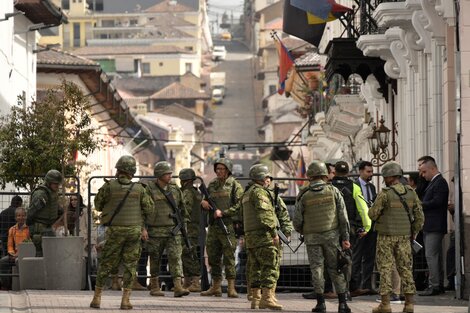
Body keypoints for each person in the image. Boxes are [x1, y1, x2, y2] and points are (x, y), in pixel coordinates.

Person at [90, 155, 154, 310]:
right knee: (130, 265)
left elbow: (98, 205)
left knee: (106, 263)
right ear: (132, 172)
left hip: (114, 231)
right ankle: (125, 301)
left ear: (118, 170)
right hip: (133, 231)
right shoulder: (140, 189)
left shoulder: (109, 186)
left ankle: (97, 299)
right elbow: (150, 209)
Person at [294, 161, 351, 313]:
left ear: (310, 176)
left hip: (312, 238)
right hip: (332, 237)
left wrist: (302, 231)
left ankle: (320, 304)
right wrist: (345, 238)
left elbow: (297, 220)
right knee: (336, 269)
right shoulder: (333, 191)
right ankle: (343, 304)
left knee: (317, 269)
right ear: (325, 175)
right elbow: (343, 217)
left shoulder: (304, 194)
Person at [368, 161, 424, 313]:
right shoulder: (411, 193)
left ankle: (385, 305)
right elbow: (420, 217)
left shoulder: (385, 194)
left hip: (386, 237)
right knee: (406, 269)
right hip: (405, 237)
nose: (384, 179)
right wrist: (413, 232)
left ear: (390, 177)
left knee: (385, 269)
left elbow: (372, 214)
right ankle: (409, 304)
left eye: (385, 176)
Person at [241, 164, 283, 310]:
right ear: (261, 178)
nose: (268, 180)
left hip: (251, 238)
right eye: (266, 177)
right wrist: (274, 233)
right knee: (270, 266)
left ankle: (256, 299)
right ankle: (267, 298)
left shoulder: (247, 193)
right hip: (263, 237)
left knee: (255, 268)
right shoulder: (259, 193)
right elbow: (265, 215)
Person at [146, 161, 189, 298]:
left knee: (176, 257)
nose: (170, 175)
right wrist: (143, 228)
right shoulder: (149, 189)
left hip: (173, 230)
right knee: (155, 258)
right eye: (167, 173)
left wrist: (184, 226)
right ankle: (154, 286)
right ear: (159, 174)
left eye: (170, 173)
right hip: (155, 230)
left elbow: (183, 210)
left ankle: (178, 286)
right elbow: (143, 210)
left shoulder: (175, 189)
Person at [200, 158, 243, 298]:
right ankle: (216, 287)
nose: (219, 171)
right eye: (217, 169)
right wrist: (204, 203)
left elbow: (239, 206)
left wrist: (224, 213)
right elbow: (205, 199)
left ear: (228, 170)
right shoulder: (212, 184)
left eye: (222, 169)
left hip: (228, 226)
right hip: (213, 226)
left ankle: (231, 288)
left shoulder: (235, 186)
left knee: (229, 257)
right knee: (213, 257)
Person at [331, 161, 371, 297]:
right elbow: (363, 208)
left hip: (331, 228)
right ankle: (350, 289)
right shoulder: (354, 187)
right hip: (350, 228)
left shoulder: (329, 186)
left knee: (332, 260)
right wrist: (366, 226)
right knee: (349, 258)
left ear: (334, 172)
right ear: (348, 172)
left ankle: (335, 290)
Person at [417, 156, 449, 296]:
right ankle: (438, 284)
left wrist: (420, 205)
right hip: (431, 225)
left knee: (431, 256)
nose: (422, 175)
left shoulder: (440, 182)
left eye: (424, 172)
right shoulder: (432, 183)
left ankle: (435, 285)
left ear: (432, 169)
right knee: (434, 256)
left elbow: (437, 201)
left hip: (434, 225)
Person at [353, 161, 378, 294]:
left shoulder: (372, 187)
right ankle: (355, 286)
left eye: (372, 171)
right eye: (368, 172)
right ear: (361, 171)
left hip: (372, 225)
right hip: (360, 226)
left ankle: (367, 285)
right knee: (357, 256)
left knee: (370, 256)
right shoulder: (354, 186)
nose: (371, 174)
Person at [26, 169, 63, 257]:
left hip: (48, 226)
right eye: (55, 183)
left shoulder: (52, 193)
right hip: (39, 228)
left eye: (58, 184)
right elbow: (32, 211)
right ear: (49, 182)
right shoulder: (41, 194)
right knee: (40, 254)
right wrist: (28, 223)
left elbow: (55, 208)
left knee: (52, 253)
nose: (57, 186)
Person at [179, 168, 203, 292]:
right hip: (192, 227)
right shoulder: (195, 191)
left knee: (189, 253)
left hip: (188, 227)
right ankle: (187, 282)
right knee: (187, 253)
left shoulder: (188, 192)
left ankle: (195, 282)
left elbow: (185, 210)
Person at [0, 207, 30, 289]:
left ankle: (23, 286)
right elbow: (10, 245)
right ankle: (5, 286)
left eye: (23, 215)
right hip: (14, 255)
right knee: (2, 262)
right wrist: (12, 254)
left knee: (18, 261)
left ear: (26, 217)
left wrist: (18, 255)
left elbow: (29, 245)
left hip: (26, 254)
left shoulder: (29, 229)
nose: (21, 218)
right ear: (15, 217)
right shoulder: (12, 229)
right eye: (19, 216)